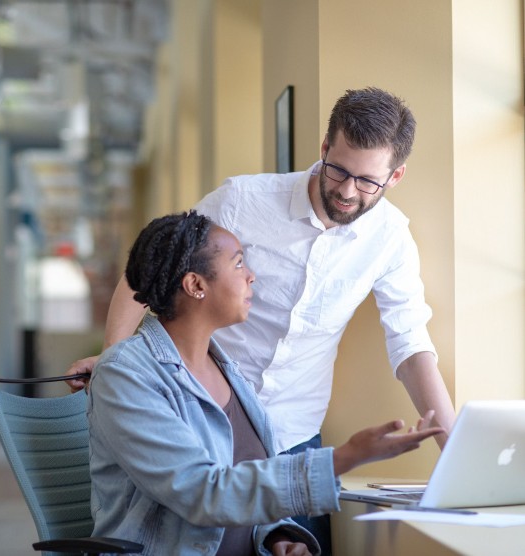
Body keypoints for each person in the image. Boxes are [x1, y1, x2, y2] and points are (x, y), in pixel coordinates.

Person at [69, 87, 456, 553]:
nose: (349, 190)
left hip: (289, 434)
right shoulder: (243, 201)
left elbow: (410, 343)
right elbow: (155, 266)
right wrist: (119, 361)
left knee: (286, 543)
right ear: (324, 150)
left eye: (368, 181)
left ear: (395, 176)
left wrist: (452, 451)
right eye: (339, 170)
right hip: (197, 413)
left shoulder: (391, 238)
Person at [87, 210, 443, 556]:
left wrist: (276, 535)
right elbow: (203, 495)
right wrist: (346, 457)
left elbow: (245, 483)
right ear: (196, 285)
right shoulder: (126, 375)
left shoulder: (228, 369)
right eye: (239, 263)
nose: (251, 276)